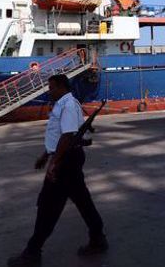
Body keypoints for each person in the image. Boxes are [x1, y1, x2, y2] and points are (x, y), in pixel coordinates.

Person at [7, 74, 107, 266]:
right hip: (69, 158)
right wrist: (46, 155)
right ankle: (98, 237)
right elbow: (58, 136)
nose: (49, 91)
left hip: (66, 161)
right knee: (82, 200)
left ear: (61, 87)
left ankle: (32, 253)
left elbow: (67, 136)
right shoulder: (66, 104)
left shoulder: (67, 105)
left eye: (51, 87)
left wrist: (54, 163)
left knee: (48, 206)